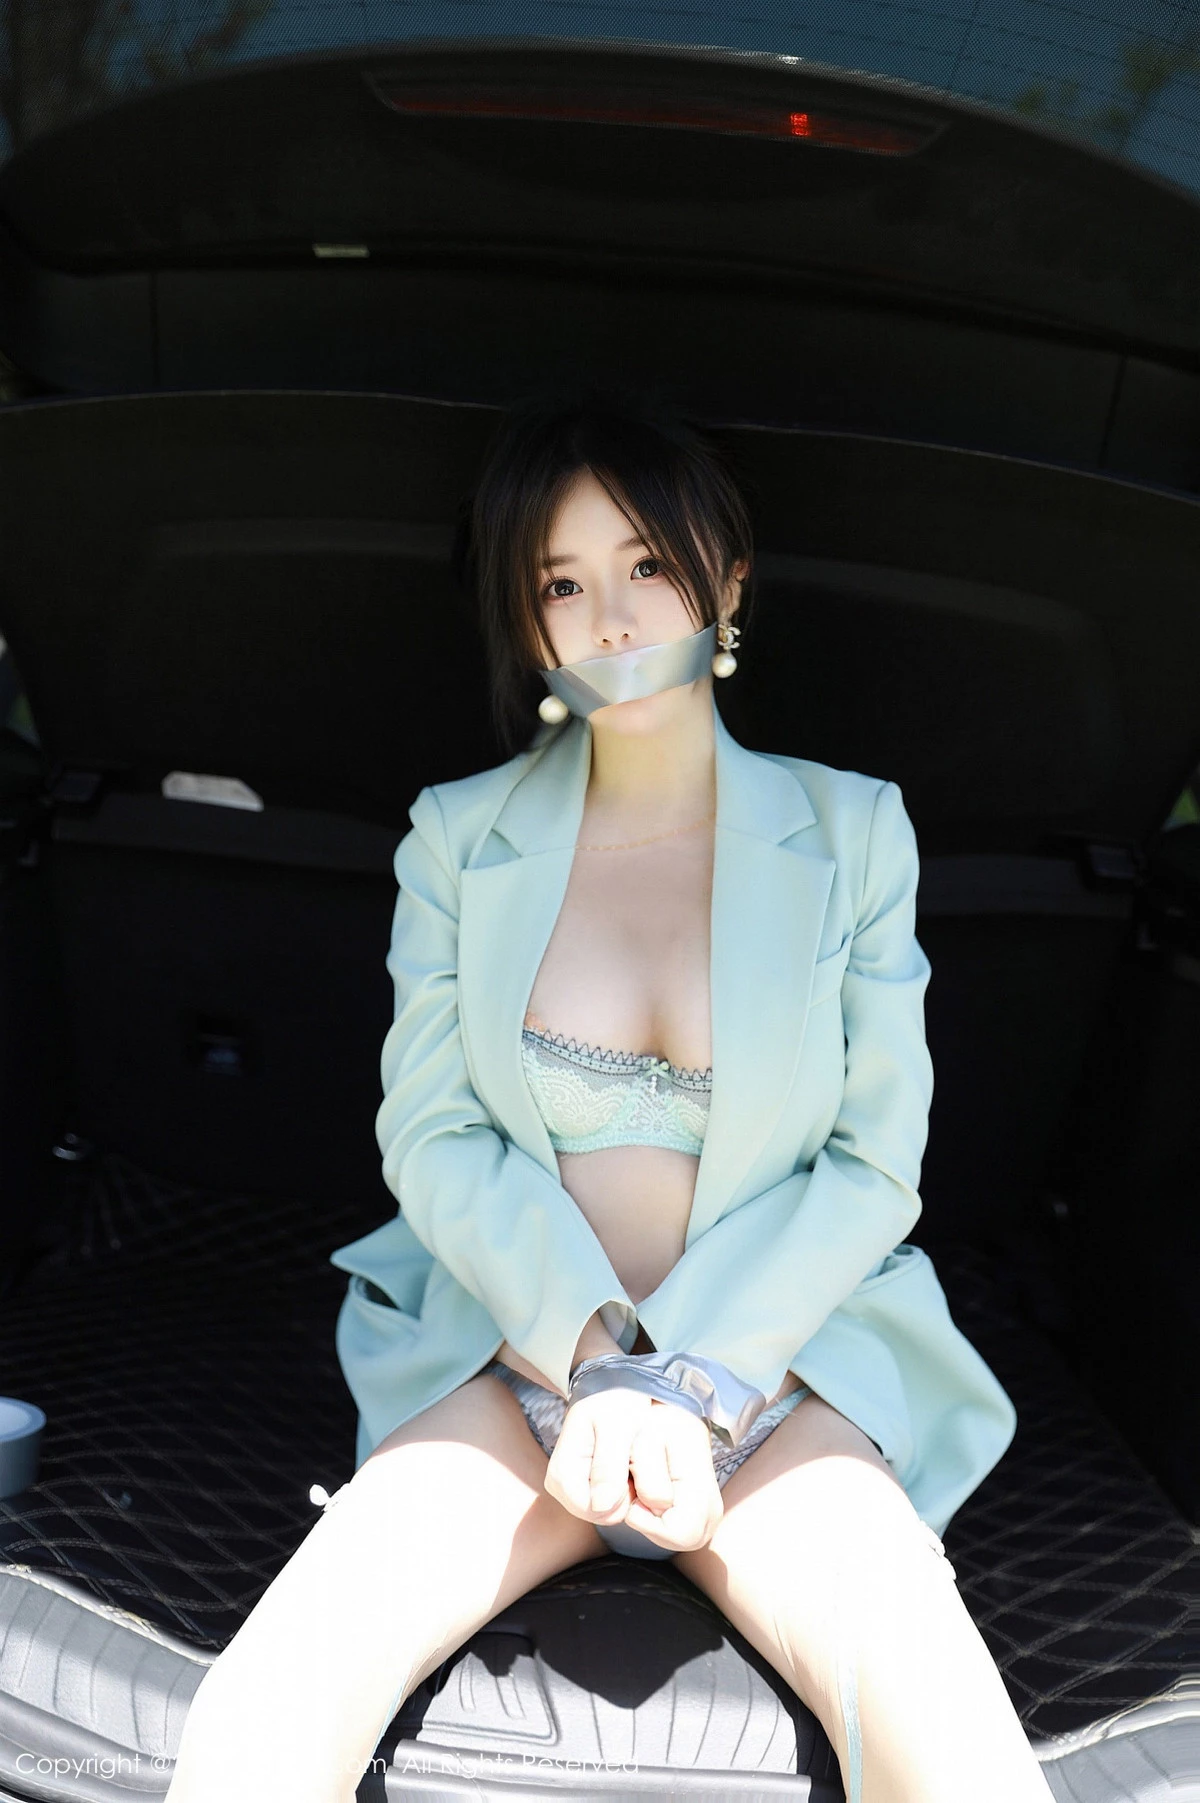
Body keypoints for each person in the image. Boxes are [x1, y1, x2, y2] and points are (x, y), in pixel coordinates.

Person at [164, 383, 1054, 1803]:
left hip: (778, 1372)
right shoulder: (458, 840)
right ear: (530, 625)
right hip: (521, 1365)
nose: (614, 620)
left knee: (959, 1762)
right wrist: (597, 1367)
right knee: (257, 1723)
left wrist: (689, 1383)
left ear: (729, 581)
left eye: (648, 564)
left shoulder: (853, 830)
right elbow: (434, 1134)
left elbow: (874, 1162)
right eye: (562, 584)